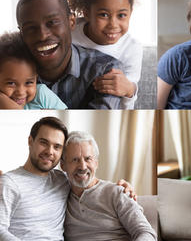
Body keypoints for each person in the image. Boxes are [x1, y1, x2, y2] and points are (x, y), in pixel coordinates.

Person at [0, 117, 135, 240]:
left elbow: (86, 179)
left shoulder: (62, 180)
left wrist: (122, 188)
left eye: (57, 147)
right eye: (44, 142)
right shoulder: (9, 182)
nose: (50, 151)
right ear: (30, 141)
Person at [16, 0, 123, 109]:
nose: (43, 36)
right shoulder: (9, 72)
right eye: (31, 28)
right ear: (21, 34)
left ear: (71, 22)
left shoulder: (105, 70)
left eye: (52, 23)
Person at [61, 131, 156, 240]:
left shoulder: (117, 193)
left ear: (96, 163)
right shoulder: (60, 196)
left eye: (88, 159)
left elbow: (146, 233)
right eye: (75, 160)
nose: (82, 166)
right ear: (63, 165)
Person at [67, 0, 142, 109]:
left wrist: (129, 89)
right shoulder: (70, 33)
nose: (113, 24)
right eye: (104, 15)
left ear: (131, 12)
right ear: (86, 12)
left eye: (122, 15)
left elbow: (127, 106)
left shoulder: (131, 48)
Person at [0, 31, 67, 109]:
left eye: (29, 82)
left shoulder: (42, 95)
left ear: (36, 77)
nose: (21, 92)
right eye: (11, 83)